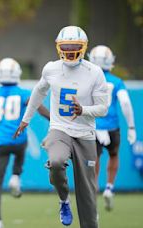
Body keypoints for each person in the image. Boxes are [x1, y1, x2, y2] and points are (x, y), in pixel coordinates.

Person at [14, 26, 108, 228]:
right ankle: (64, 200)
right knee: (56, 162)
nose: (71, 50)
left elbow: (103, 109)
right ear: (59, 47)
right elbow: (39, 92)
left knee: (87, 193)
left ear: (83, 48)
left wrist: (83, 110)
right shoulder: (51, 68)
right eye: (67, 46)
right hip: (60, 129)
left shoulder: (95, 72)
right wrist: (26, 119)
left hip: (85, 133)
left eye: (75, 46)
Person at [0, 58, 50, 228]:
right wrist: (54, 119)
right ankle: (16, 175)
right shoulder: (22, 93)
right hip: (18, 140)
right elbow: (37, 106)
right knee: (21, 145)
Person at [88, 45, 136, 211]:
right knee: (113, 155)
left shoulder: (88, 79)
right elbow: (125, 103)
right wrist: (131, 126)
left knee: (94, 159)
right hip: (112, 126)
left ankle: (93, 188)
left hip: (93, 125)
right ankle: (109, 186)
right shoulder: (116, 82)